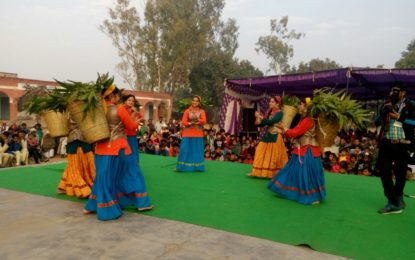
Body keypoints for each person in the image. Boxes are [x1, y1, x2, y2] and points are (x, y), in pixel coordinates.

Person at [84, 85, 153, 221]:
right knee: (133, 172)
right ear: (113, 96)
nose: (118, 98)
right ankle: (141, 203)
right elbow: (131, 127)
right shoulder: (119, 109)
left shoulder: (98, 110)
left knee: (103, 177)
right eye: (117, 96)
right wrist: (136, 121)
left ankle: (92, 206)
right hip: (118, 147)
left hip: (100, 149)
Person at [268, 100, 326, 205]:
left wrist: (283, 130)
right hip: (307, 149)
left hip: (307, 151)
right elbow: (296, 130)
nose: (299, 106)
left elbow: (296, 132)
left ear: (306, 107)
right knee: (300, 171)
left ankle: (310, 196)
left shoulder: (308, 120)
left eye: (301, 104)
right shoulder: (309, 119)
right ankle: (309, 195)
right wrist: (283, 129)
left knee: (305, 173)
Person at [376, 83, 415, 214]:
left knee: (400, 173)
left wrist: (399, 117)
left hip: (402, 144)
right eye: (391, 90)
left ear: (403, 92)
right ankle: (392, 201)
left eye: (396, 91)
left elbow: (413, 122)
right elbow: (376, 122)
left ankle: (398, 197)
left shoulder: (411, 105)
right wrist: (383, 112)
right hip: (386, 143)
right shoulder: (387, 104)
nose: (392, 93)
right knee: (384, 171)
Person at [247, 96, 288, 178]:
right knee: (259, 150)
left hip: (275, 136)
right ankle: (258, 172)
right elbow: (264, 123)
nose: (270, 103)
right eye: (270, 102)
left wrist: (262, 118)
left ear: (277, 103)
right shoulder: (269, 112)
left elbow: (272, 122)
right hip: (268, 135)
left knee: (274, 156)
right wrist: (258, 119)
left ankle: (273, 174)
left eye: (272, 102)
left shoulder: (280, 113)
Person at [56, 118, 96, 198]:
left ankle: (84, 187)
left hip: (81, 142)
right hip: (76, 142)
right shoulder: (68, 114)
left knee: (77, 165)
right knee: (75, 166)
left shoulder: (70, 114)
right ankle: (82, 188)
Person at [176, 95, 206, 172]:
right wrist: (190, 123)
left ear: (199, 102)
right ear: (191, 101)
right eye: (193, 100)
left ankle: (197, 167)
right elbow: (184, 122)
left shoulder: (202, 111)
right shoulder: (187, 111)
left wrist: (197, 121)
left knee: (196, 151)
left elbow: (204, 121)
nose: (195, 102)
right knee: (184, 150)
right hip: (187, 133)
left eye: (196, 101)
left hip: (198, 134)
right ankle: (182, 167)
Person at [123, 94, 142, 164]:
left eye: (133, 101)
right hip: (123, 135)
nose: (131, 102)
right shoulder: (122, 109)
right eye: (129, 100)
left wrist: (137, 118)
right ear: (125, 101)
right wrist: (134, 116)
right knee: (125, 152)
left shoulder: (134, 110)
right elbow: (127, 122)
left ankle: (133, 166)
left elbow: (141, 119)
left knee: (133, 151)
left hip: (132, 135)